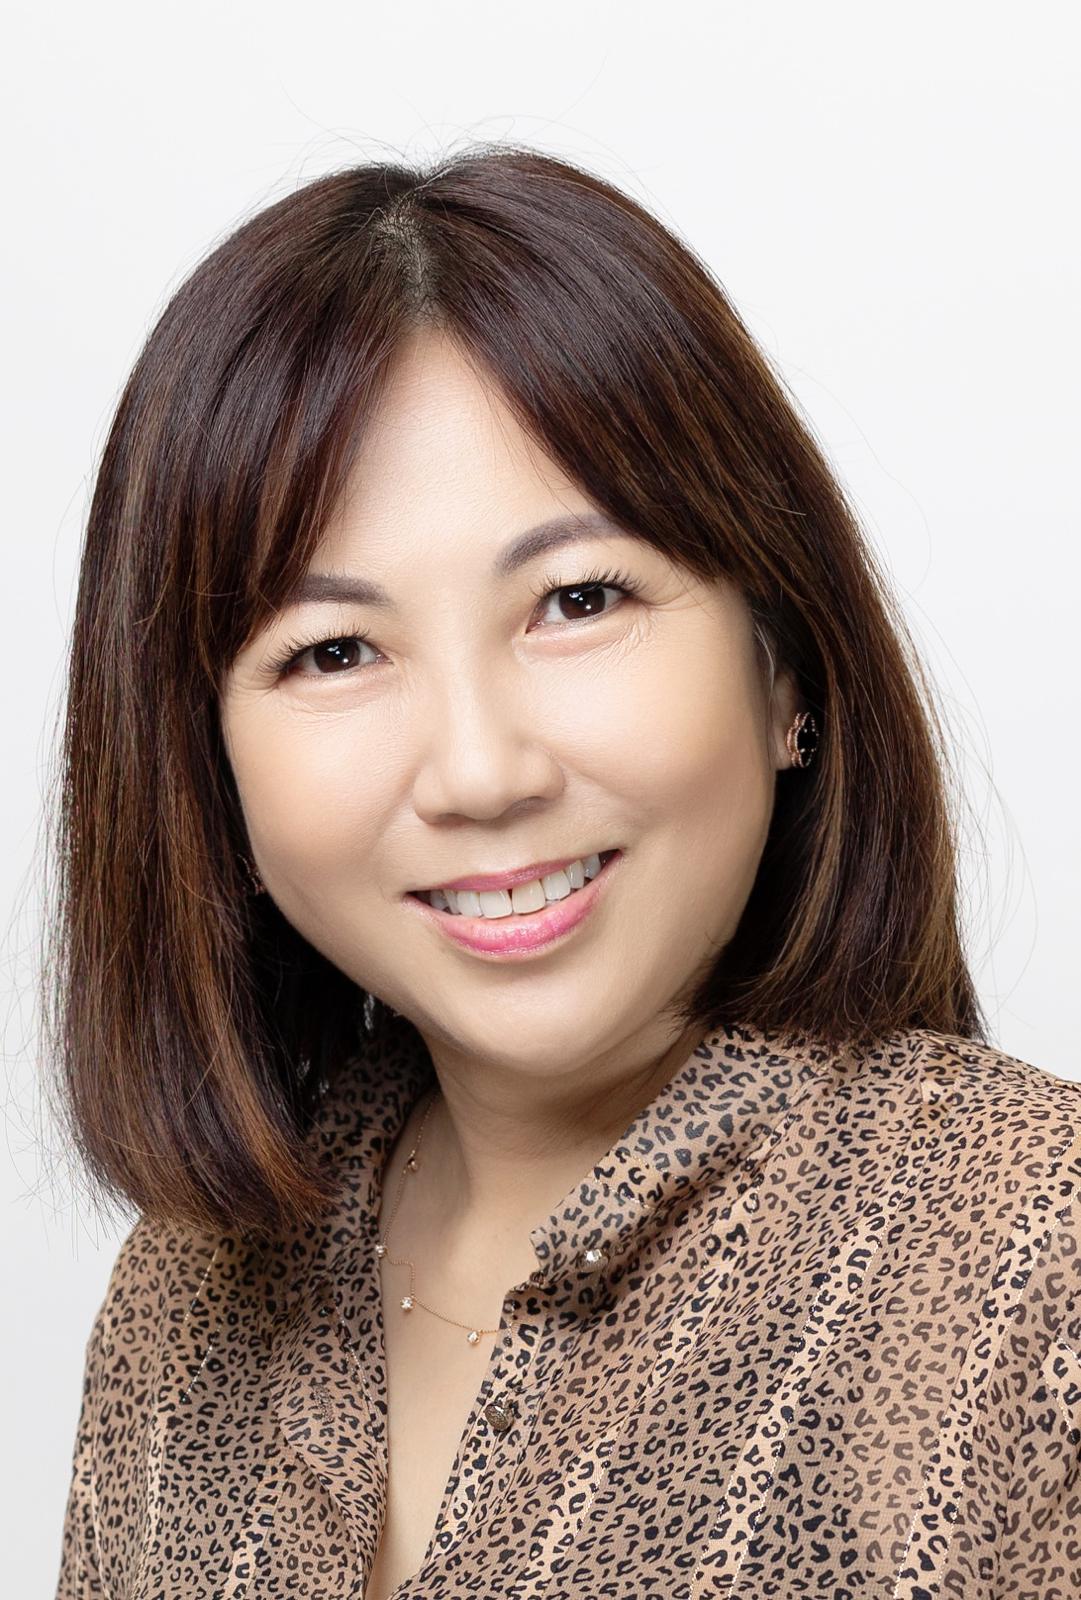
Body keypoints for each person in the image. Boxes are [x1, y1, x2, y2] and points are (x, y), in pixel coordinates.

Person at [49, 144, 1080, 1600]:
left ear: (784, 668)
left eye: (577, 599)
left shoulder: (1037, 1260)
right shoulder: (188, 1295)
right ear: (201, 771)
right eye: (334, 652)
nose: (480, 773)